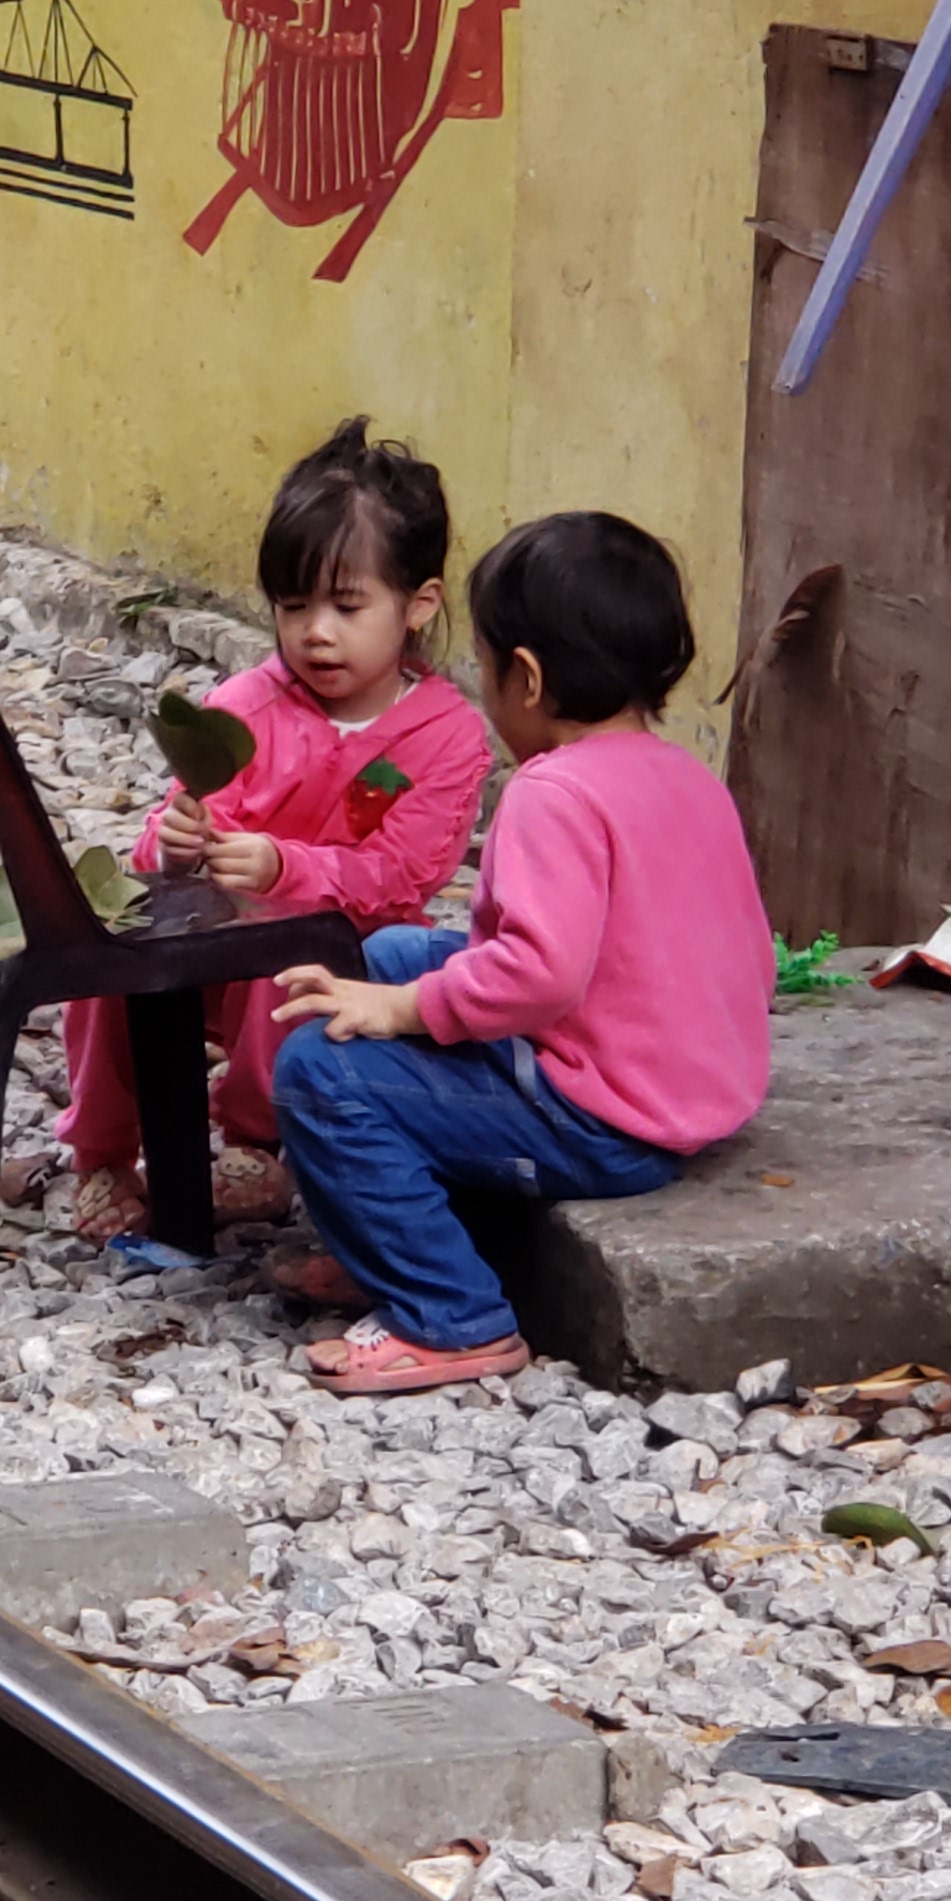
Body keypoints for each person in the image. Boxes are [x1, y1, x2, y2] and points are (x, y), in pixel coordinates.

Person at [268, 509, 772, 1395]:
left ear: (527, 678)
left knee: (321, 1069)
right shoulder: (685, 773)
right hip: (685, 1087)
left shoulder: (554, 793)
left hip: (605, 1122)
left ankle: (450, 1313)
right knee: (391, 951)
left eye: (490, 668)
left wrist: (406, 1011)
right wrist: (407, 988)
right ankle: (394, 1234)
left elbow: (537, 974)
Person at [61, 419, 490, 1242]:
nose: (315, 632)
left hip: (346, 952)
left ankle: (256, 1141)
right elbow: (173, 827)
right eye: (294, 608)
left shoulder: (445, 736)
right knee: (107, 951)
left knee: (284, 948)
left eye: (346, 606)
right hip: (211, 944)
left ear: (419, 605)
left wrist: (282, 868)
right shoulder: (246, 707)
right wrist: (174, 841)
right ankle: (102, 1150)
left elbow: (402, 877)